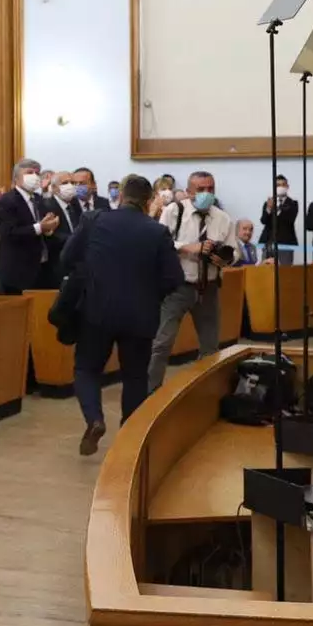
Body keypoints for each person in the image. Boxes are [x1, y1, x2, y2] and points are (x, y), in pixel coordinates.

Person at [62, 174, 184, 455]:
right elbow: (173, 278)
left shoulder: (94, 221)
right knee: (135, 376)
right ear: (149, 200)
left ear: (122, 196)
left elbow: (67, 259)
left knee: (87, 369)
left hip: (96, 311)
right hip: (141, 315)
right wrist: (151, 295)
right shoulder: (156, 231)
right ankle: (129, 440)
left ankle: (94, 419)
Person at [147, 170, 237, 391]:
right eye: (201, 189)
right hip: (178, 287)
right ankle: (150, 392)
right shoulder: (173, 211)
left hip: (209, 287)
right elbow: (159, 242)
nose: (207, 193)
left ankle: (205, 392)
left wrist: (225, 258)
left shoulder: (222, 217)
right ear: (188, 192)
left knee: (210, 346)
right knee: (162, 343)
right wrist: (187, 247)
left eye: (210, 189)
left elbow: (234, 252)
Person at [0, 159, 62, 294]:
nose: (34, 176)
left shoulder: (38, 199)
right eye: (29, 172)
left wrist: (48, 230)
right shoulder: (7, 200)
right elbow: (9, 233)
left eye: (37, 173)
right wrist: (40, 227)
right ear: (16, 178)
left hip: (41, 267)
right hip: (17, 270)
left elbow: (42, 229)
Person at [260, 175, 299, 264]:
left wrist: (278, 207)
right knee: (266, 271)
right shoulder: (268, 202)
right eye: (278, 185)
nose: (280, 187)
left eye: (283, 185)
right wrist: (269, 209)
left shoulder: (293, 203)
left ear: (287, 187)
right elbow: (263, 221)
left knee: (284, 272)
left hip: (285, 244)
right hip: (268, 243)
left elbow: (290, 220)